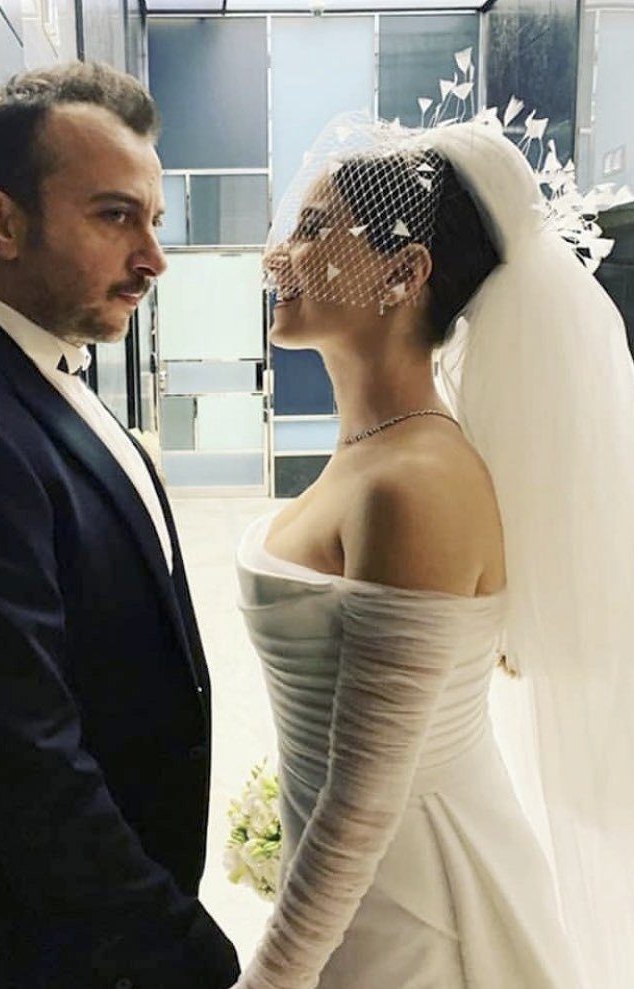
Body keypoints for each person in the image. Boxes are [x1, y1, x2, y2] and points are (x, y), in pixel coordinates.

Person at [0, 61, 240, 988]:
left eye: (154, 219)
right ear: (1, 220)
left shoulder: (41, 378)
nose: (154, 258)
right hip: (29, 950)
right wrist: (181, 951)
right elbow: (20, 766)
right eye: (116, 216)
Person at [233, 115, 634, 987]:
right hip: (357, 889)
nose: (276, 258)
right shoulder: (376, 447)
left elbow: (365, 800)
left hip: (409, 910)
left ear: (404, 273)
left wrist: (271, 978)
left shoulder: (416, 482)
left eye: (313, 231)